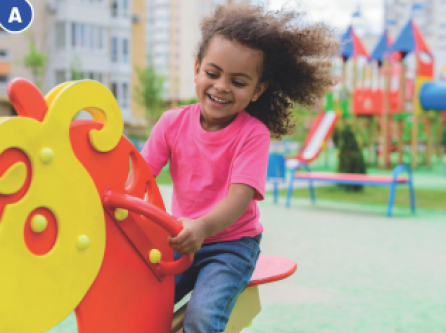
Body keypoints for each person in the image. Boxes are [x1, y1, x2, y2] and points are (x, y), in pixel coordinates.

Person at [141, 3, 338, 332]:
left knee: (202, 317)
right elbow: (141, 175)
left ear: (257, 90)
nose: (221, 86)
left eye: (238, 81)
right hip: (183, 238)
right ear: (196, 69)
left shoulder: (252, 134)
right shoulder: (171, 122)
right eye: (213, 73)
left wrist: (203, 228)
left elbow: (239, 197)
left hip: (231, 246)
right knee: (139, 295)